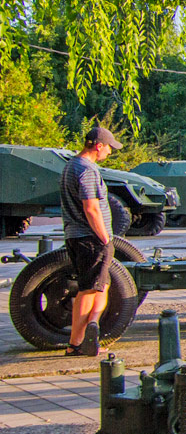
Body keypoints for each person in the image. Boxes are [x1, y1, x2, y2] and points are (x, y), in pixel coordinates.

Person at [60, 125, 122, 356]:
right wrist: (104, 237)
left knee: (101, 285)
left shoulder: (70, 166)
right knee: (87, 290)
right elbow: (91, 207)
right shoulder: (86, 170)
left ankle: (92, 330)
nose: (110, 152)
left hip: (79, 236)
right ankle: (75, 345)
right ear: (98, 146)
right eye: (109, 148)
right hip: (90, 238)